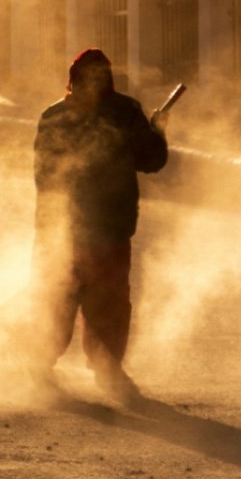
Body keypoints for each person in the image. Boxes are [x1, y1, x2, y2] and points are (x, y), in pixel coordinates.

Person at [32, 47, 168, 403]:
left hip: (62, 229)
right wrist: (157, 131)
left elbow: (45, 177)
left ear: (71, 80)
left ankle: (38, 364)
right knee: (106, 302)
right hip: (108, 228)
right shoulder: (124, 112)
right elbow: (152, 160)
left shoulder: (53, 116)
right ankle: (106, 369)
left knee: (56, 297)